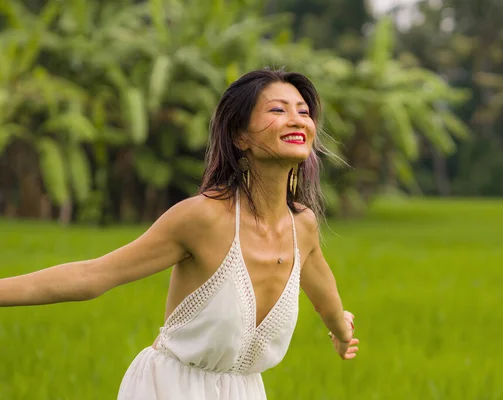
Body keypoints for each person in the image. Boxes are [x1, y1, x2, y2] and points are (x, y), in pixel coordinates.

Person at [0, 68, 359, 399]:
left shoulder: (302, 225)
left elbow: (326, 295)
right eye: (278, 110)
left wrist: (342, 335)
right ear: (240, 136)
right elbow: (93, 275)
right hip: (171, 388)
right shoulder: (202, 218)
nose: (297, 120)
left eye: (303, 111)